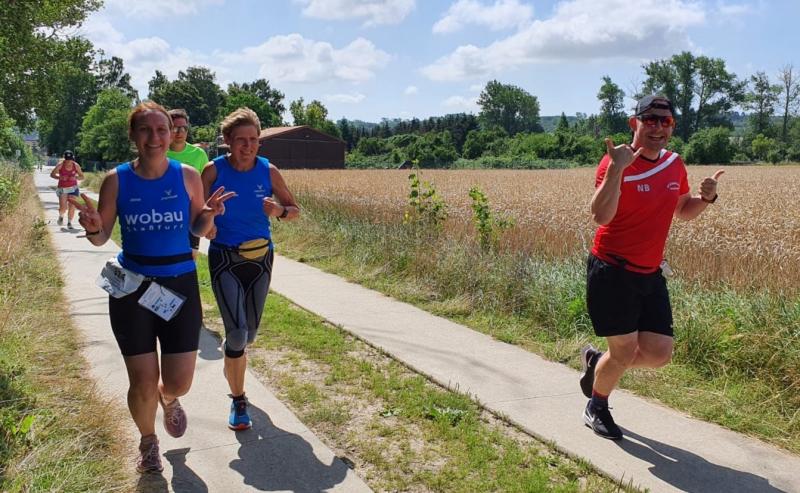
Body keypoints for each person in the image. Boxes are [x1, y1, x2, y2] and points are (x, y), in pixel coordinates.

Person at [68, 102, 234, 473]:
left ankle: (168, 398)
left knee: (179, 381)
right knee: (142, 381)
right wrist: (93, 227)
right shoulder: (117, 180)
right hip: (131, 288)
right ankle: (148, 442)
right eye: (145, 129)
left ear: (171, 134)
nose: (154, 137)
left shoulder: (187, 176)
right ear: (133, 136)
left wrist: (209, 216)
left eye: (161, 130)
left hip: (179, 285)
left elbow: (196, 228)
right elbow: (101, 237)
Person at [579, 95, 723, 440]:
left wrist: (706, 199)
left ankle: (598, 363)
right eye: (651, 119)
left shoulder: (674, 163)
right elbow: (601, 216)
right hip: (613, 271)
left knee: (659, 353)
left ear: (672, 126)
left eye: (666, 121)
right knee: (625, 352)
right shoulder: (615, 161)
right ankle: (597, 405)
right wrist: (617, 169)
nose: (658, 127)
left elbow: (682, 211)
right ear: (635, 123)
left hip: (650, 273)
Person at [200, 107, 299, 431]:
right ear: (227, 141)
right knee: (237, 333)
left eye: (254, 139)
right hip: (225, 258)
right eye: (241, 140)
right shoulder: (213, 171)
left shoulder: (269, 171)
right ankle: (238, 399)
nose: (248, 146)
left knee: (249, 334)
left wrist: (279, 211)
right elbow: (195, 213)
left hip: (261, 259)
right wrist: (209, 220)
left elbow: (294, 210)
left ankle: (233, 360)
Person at [166, 109, 211, 259]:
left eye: (184, 128)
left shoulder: (199, 154)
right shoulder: (159, 153)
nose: (180, 132)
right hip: (164, 215)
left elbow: (206, 186)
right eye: (175, 128)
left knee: (190, 259)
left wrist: (209, 218)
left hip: (191, 216)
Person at [50, 150, 84, 228]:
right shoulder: (60, 165)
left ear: (72, 158)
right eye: (67, 159)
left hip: (73, 188)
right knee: (63, 207)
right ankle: (61, 216)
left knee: (72, 205)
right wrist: (60, 177)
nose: (69, 161)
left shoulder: (76, 166)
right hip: (62, 188)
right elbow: (52, 174)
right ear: (64, 158)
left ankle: (69, 222)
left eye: (70, 159)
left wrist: (75, 177)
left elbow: (82, 176)